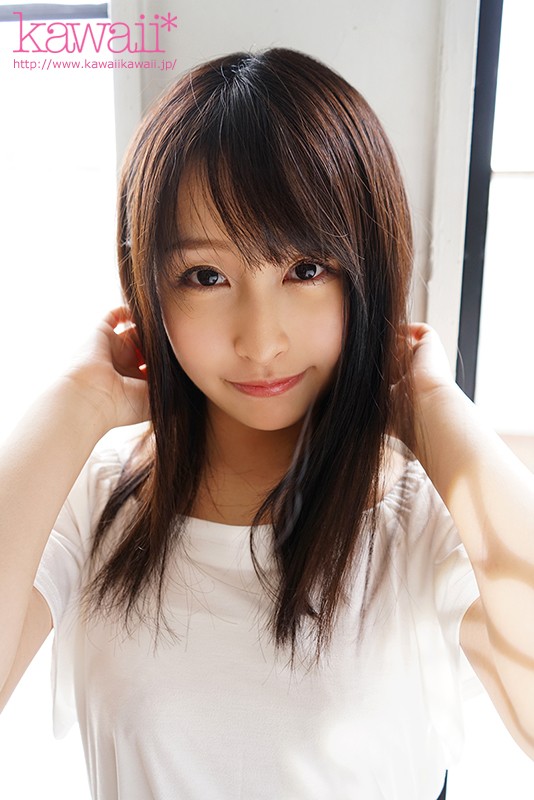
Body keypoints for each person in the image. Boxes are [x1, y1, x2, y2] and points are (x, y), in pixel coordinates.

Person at [0, 47, 533, 800]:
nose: (260, 340)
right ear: (148, 290)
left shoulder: (425, 513)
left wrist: (436, 409)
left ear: (368, 271)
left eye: (305, 269)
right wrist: (78, 400)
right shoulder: (93, 498)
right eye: (206, 276)